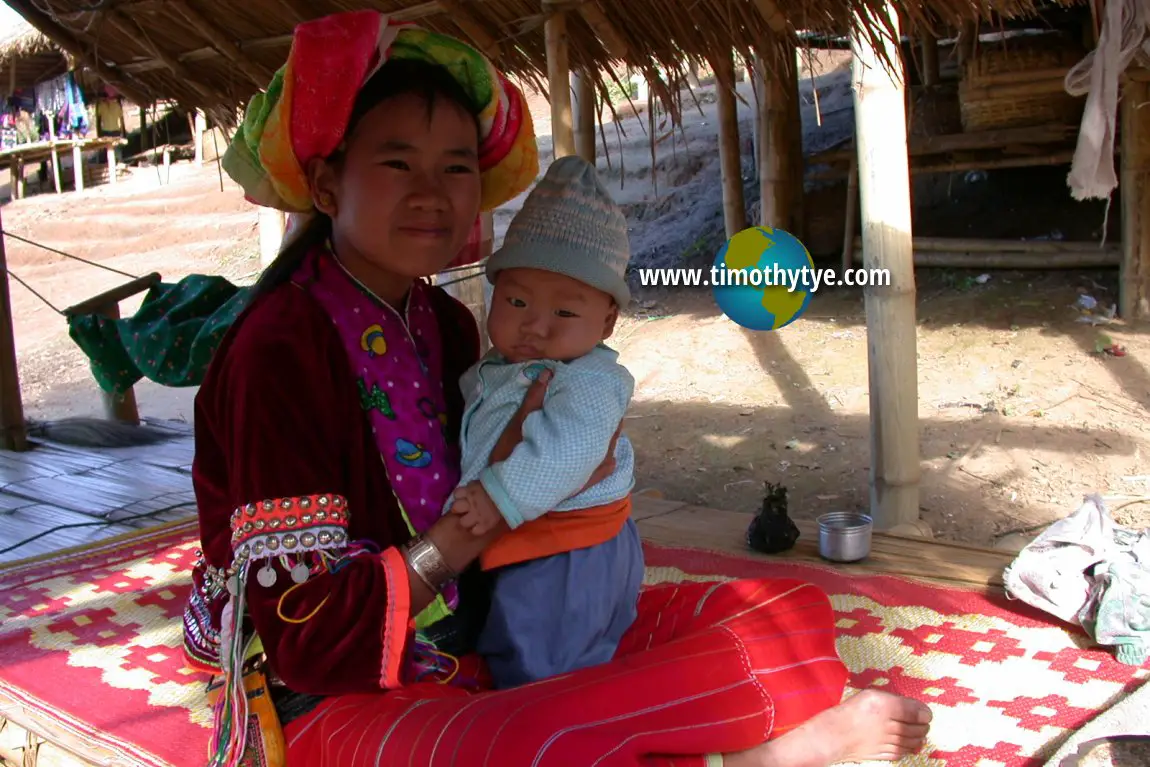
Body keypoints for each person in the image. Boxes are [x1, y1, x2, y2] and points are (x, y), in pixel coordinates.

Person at [182, 10, 933, 767]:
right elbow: (307, 642)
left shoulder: (442, 319)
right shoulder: (276, 351)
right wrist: (470, 529)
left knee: (788, 617)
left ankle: (596, 730)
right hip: (336, 696)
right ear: (325, 180)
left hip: (490, 632)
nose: (433, 193)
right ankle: (752, 758)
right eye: (398, 163)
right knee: (511, 747)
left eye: (455, 166)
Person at [443, 155, 644, 689]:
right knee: (525, 645)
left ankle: (556, 733)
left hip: (568, 552)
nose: (535, 325)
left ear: (607, 321)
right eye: (516, 300)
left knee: (545, 669)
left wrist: (494, 496)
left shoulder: (590, 380)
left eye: (565, 312)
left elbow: (572, 450)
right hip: (538, 543)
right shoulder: (505, 367)